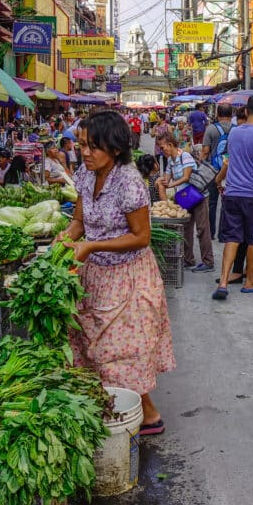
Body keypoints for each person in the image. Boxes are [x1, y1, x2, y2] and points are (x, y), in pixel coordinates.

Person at [58, 111, 176, 436]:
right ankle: (130, 413)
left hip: (129, 277)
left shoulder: (128, 182)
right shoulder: (84, 174)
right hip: (95, 276)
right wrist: (65, 239)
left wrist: (91, 247)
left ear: (114, 148)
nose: (85, 153)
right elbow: (79, 221)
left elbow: (141, 236)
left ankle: (141, 416)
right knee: (93, 347)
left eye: (93, 147)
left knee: (117, 351)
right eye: (82, 145)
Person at [213, 94, 253, 300]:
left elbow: (229, 162)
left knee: (232, 238)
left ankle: (223, 282)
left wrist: (220, 181)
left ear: (246, 112)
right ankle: (250, 282)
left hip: (232, 194)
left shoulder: (234, 133)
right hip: (251, 195)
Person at [156, 133, 213, 272]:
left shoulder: (185, 156)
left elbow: (186, 177)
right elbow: (166, 178)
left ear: (170, 145)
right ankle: (188, 260)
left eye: (162, 147)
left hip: (198, 196)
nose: (162, 150)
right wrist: (160, 181)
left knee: (202, 229)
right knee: (186, 229)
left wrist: (170, 185)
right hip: (184, 197)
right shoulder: (170, 161)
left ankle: (208, 262)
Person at [201, 103, 233, 239]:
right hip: (231, 172)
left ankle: (211, 232)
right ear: (231, 115)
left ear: (217, 115)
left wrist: (200, 166)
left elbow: (205, 151)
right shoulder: (236, 130)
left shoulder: (211, 129)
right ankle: (223, 233)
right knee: (227, 203)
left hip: (213, 170)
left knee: (212, 203)